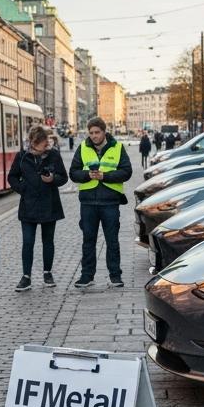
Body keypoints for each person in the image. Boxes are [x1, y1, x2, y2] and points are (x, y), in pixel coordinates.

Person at [69, 117, 133, 289]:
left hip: (110, 202)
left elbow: (127, 172)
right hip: (88, 202)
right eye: (91, 133)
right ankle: (86, 276)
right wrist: (87, 175)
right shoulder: (83, 147)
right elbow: (73, 173)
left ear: (104, 132)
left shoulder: (117, 147)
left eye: (97, 132)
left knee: (112, 241)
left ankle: (115, 276)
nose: (94, 136)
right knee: (88, 240)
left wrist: (106, 176)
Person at [8, 125, 66, 291]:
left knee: (48, 241)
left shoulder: (53, 154)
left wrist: (52, 179)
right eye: (39, 143)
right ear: (33, 142)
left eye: (44, 142)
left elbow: (63, 177)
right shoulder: (22, 156)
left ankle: (47, 273)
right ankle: (26, 277)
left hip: (50, 204)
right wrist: (22, 188)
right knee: (28, 242)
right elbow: (11, 177)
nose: (43, 146)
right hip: (28, 205)